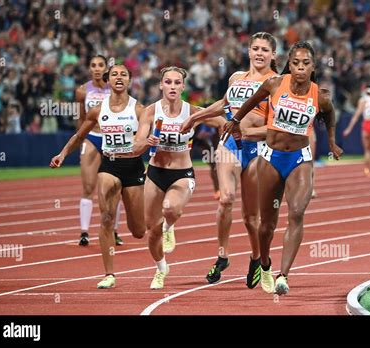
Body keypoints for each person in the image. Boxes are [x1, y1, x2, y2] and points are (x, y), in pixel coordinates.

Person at [224, 41, 343, 295]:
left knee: (297, 212)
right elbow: (250, 101)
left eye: (306, 63)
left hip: (299, 159)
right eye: (296, 63)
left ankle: (283, 275)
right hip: (270, 158)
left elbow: (330, 116)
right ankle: (265, 263)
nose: (300, 68)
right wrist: (234, 122)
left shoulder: (319, 96)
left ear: (313, 67)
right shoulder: (274, 84)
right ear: (289, 64)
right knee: (266, 225)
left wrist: (331, 142)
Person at [181, 32, 278, 289]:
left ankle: (258, 259)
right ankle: (223, 256)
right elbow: (224, 105)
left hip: (257, 149)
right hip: (230, 145)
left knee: (250, 219)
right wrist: (196, 117)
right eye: (255, 48)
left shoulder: (277, 83)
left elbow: (277, 129)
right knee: (225, 198)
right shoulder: (236, 78)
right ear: (248, 51)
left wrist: (246, 131)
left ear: (273, 55)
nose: (259, 53)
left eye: (264, 50)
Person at [50, 64, 159, 289]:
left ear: (130, 80)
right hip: (109, 164)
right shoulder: (98, 110)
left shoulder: (139, 110)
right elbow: (79, 135)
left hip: (133, 167)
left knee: (138, 231)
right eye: (115, 74)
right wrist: (62, 154)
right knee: (107, 217)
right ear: (108, 80)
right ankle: (109, 274)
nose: (119, 78)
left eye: (124, 74)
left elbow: (150, 139)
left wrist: (149, 154)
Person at [128, 66, 225, 289]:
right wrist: (146, 142)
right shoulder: (150, 112)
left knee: (171, 208)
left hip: (182, 173)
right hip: (155, 173)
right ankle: (161, 269)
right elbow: (135, 147)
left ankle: (170, 225)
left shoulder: (193, 111)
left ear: (183, 86)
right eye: (168, 82)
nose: (172, 86)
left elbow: (221, 122)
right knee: (151, 231)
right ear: (161, 85)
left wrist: (225, 147)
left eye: (176, 82)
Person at [75, 55, 124, 246]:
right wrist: (80, 139)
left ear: (106, 68)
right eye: (93, 65)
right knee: (88, 187)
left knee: (115, 188)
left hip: (112, 140)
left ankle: (115, 230)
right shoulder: (81, 91)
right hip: (92, 138)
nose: (97, 69)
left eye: (100, 65)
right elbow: (81, 118)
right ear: (89, 68)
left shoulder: (115, 88)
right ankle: (84, 232)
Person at [343, 86, 370, 180]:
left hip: (367, 124)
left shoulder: (363, 100)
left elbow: (356, 115)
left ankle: (368, 170)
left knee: (368, 150)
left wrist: (348, 129)